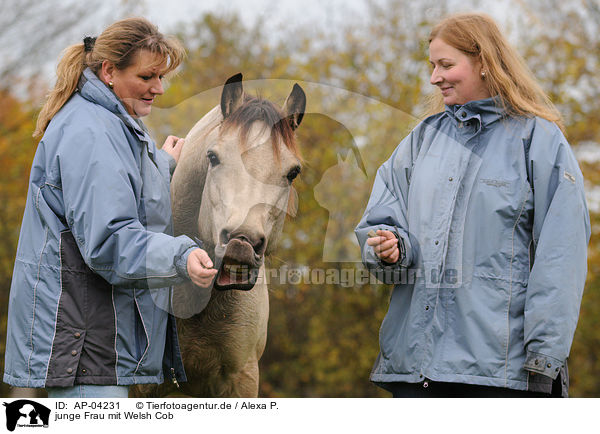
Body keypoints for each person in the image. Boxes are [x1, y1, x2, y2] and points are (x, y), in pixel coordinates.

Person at [355, 12, 590, 397]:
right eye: (432, 65)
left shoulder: (540, 142)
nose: (435, 77)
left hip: (501, 377)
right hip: (416, 372)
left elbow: (561, 257)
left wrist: (545, 359)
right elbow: (381, 220)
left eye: (446, 64)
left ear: (484, 62)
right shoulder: (420, 141)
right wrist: (390, 249)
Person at [3, 17, 217, 398]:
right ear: (108, 71)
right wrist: (182, 255)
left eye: (161, 77)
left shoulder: (110, 122)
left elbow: (114, 194)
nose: (159, 88)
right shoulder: (93, 133)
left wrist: (160, 165)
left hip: (93, 339)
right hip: (83, 344)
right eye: (148, 77)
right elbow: (110, 241)